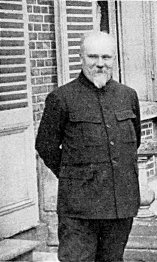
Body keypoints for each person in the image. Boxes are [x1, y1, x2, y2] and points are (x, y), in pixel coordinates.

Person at [35, 31, 141, 262]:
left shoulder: (128, 96)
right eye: (93, 57)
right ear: (81, 57)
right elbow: (46, 146)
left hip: (119, 204)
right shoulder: (61, 98)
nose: (100, 64)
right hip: (79, 208)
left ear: (115, 59)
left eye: (106, 57)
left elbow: (134, 142)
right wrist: (76, 175)